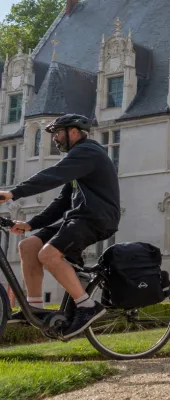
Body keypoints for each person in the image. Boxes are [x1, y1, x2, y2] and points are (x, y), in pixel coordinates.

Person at [0, 113, 120, 338]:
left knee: (48, 255)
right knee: (28, 247)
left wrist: (14, 192)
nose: (55, 138)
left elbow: (51, 176)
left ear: (73, 132)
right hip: (77, 218)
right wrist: (30, 224)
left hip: (95, 219)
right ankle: (34, 309)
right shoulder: (78, 160)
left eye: (57, 133)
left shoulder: (87, 152)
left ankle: (87, 306)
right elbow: (63, 201)